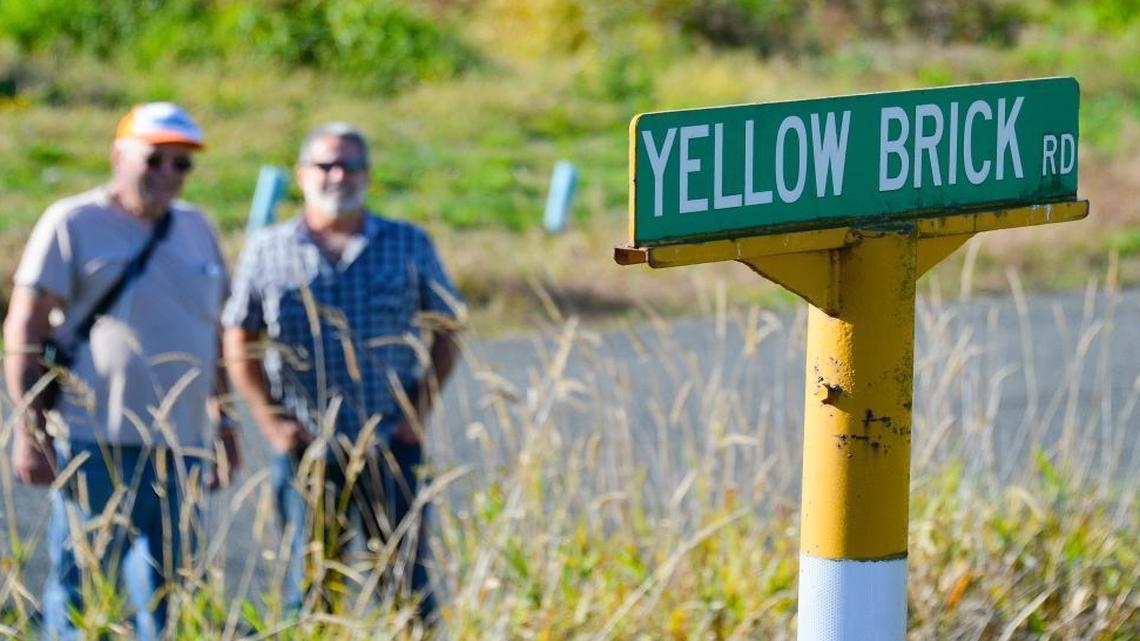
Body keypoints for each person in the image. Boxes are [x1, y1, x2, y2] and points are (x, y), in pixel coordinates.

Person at [3, 102, 240, 639]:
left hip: (180, 446)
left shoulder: (197, 228)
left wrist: (223, 423)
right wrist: (28, 431)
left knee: (173, 589)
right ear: (119, 155)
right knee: (83, 586)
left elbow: (216, 337)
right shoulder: (74, 221)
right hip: (93, 442)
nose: (167, 174)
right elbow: (25, 329)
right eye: (155, 159)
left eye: (181, 165)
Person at [222, 123, 463, 623]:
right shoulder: (268, 248)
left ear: (367, 175)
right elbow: (238, 339)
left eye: (350, 165)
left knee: (406, 588)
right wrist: (274, 425)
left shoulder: (407, 243)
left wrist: (416, 413)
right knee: (311, 589)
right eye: (325, 165)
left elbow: (448, 326)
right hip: (307, 447)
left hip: (390, 445)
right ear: (302, 174)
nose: (338, 176)